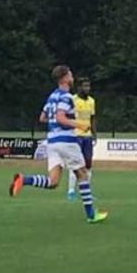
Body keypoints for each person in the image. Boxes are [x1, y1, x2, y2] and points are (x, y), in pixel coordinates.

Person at [11, 65, 108, 224]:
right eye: (70, 74)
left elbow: (43, 117)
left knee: (53, 181)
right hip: (67, 141)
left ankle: (24, 179)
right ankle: (91, 214)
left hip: (53, 142)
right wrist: (79, 125)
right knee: (82, 173)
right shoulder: (66, 96)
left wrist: (56, 124)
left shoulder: (51, 97)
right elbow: (61, 118)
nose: (72, 76)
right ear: (64, 78)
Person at [67, 77, 96, 201]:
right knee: (76, 164)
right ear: (79, 87)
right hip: (76, 135)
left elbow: (93, 118)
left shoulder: (91, 101)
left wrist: (94, 133)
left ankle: (86, 191)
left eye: (88, 86)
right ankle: (71, 191)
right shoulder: (72, 100)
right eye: (84, 86)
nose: (87, 89)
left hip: (87, 136)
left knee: (88, 164)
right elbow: (67, 117)